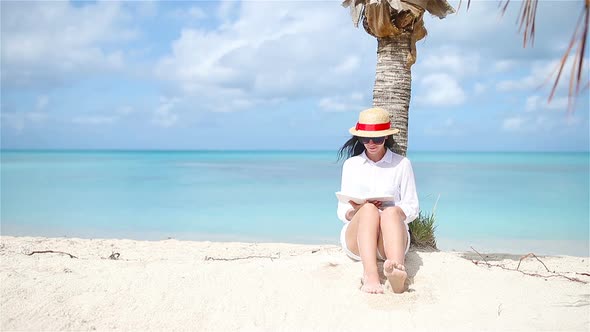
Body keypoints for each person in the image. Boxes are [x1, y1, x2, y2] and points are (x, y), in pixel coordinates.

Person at [337, 107, 419, 294]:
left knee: (390, 212)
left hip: (390, 239)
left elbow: (412, 206)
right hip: (357, 242)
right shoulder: (351, 165)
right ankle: (371, 275)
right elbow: (342, 211)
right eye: (366, 139)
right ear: (360, 138)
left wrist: (395, 211)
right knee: (368, 210)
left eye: (377, 138)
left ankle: (397, 272)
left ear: (387, 138)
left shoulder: (402, 164)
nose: (371, 143)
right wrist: (357, 210)